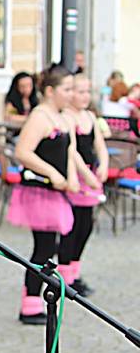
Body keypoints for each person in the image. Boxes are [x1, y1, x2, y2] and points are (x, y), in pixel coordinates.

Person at [7, 64, 78, 324]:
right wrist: (53, 174)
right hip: (40, 191)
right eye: (66, 89)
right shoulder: (40, 116)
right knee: (44, 248)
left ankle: (35, 300)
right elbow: (23, 151)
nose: (70, 94)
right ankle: (30, 304)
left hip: (55, 191)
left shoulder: (61, 116)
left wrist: (71, 177)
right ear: (50, 91)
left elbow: (68, 151)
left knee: (50, 246)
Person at [58, 73, 109, 296]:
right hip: (77, 176)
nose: (85, 96)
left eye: (88, 91)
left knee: (86, 225)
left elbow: (100, 145)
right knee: (73, 226)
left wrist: (104, 164)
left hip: (91, 175)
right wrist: (85, 173)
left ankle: (74, 270)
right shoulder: (67, 118)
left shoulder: (89, 117)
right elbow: (72, 150)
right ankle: (64, 273)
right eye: (80, 92)